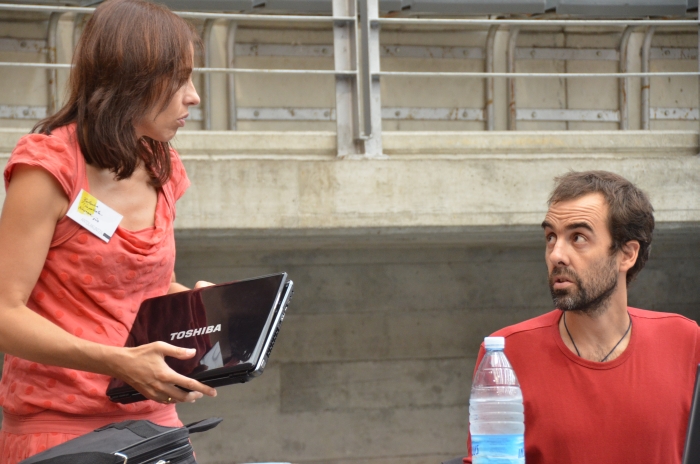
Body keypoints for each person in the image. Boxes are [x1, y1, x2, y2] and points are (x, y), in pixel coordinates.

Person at [0, 1, 217, 461]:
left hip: (157, 426)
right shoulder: (49, 168)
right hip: (62, 434)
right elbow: (3, 312)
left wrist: (204, 310)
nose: (194, 97)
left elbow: (142, 290)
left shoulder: (162, 165)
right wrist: (116, 362)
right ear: (132, 78)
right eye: (179, 79)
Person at [464, 171, 700, 464]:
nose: (556, 254)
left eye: (578, 237)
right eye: (551, 237)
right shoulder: (505, 354)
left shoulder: (686, 341)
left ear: (627, 254)